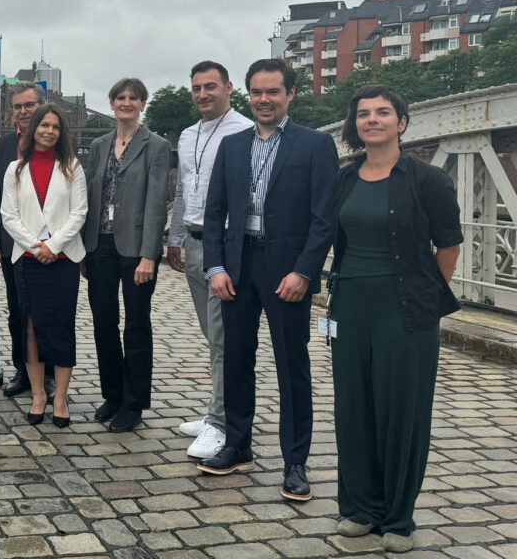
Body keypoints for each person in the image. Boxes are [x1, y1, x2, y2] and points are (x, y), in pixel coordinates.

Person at [199, 59, 338, 504]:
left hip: (287, 273)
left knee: (291, 368)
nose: (264, 100)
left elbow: (324, 218)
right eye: (257, 92)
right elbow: (215, 212)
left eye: (273, 92)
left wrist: (304, 271)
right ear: (248, 95)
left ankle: (295, 461)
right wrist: (215, 267)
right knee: (235, 359)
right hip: (238, 269)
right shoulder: (233, 146)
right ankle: (237, 444)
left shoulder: (316, 145)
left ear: (290, 94)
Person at [330, 86, 461, 552]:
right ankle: (360, 508)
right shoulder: (344, 179)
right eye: (364, 114)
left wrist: (427, 293)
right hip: (349, 304)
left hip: (405, 309)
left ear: (402, 123)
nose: (373, 120)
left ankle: (397, 518)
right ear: (356, 125)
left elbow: (449, 245)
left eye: (384, 112)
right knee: (354, 407)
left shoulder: (428, 181)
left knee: (401, 411)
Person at [166, 61, 254, 458]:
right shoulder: (187, 135)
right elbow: (184, 189)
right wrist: (175, 238)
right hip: (195, 241)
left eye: (211, 87)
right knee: (211, 336)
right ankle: (217, 411)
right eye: (197, 88)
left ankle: (220, 423)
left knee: (223, 336)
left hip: (225, 245)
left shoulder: (246, 131)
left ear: (229, 88)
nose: (203, 94)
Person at [81, 78, 172, 433]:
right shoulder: (101, 144)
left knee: (136, 326)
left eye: (134, 98)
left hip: (136, 250)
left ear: (142, 104)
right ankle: (113, 394)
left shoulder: (157, 145)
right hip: (99, 245)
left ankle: (134, 404)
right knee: (104, 323)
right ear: (111, 102)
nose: (127, 102)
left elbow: (156, 203)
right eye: (121, 97)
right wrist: (83, 248)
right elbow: (89, 195)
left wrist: (151, 254)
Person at [0, 104, 88, 428]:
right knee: (31, 328)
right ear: (33, 128)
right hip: (27, 259)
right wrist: (35, 246)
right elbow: (8, 215)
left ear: (61, 132)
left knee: (61, 326)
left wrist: (53, 245)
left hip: (63, 259)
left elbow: (80, 212)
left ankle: (60, 397)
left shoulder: (72, 167)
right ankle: (39, 394)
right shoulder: (15, 169)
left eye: (55, 127)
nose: (49, 131)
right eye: (44, 125)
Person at [0, 82, 54, 398]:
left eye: (29, 105)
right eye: (18, 107)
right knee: (17, 311)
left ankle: (49, 375)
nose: (23, 111)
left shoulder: (57, 142)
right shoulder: (2, 146)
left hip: (46, 246)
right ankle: (22, 370)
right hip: (12, 245)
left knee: (46, 312)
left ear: (42, 105)